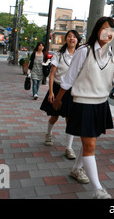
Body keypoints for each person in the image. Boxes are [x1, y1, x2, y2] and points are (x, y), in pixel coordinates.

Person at [52, 17, 114, 199]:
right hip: (83, 102)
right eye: (104, 29)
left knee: (90, 142)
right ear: (97, 30)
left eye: (112, 31)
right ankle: (98, 190)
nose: (108, 33)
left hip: (100, 104)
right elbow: (69, 78)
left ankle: (77, 169)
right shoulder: (84, 51)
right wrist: (58, 99)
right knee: (90, 144)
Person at [40, 30, 81, 159]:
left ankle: (68, 148)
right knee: (54, 116)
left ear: (77, 40)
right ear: (66, 39)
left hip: (72, 91)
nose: (71, 39)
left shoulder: (80, 55)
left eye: (74, 37)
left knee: (71, 119)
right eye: (69, 36)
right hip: (58, 89)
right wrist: (51, 91)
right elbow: (52, 74)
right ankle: (48, 134)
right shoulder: (59, 54)